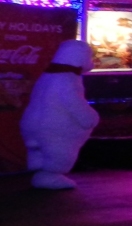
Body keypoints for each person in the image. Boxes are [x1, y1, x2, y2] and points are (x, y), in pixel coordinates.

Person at [20, 39, 100, 190]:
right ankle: (50, 176)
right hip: (52, 127)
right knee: (60, 150)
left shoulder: (47, 76)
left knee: (38, 148)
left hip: (31, 122)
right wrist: (89, 117)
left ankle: (37, 165)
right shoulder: (67, 79)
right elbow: (73, 102)